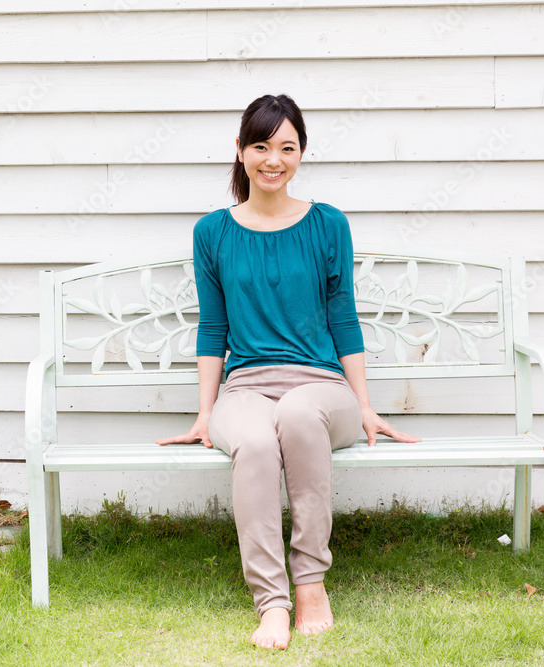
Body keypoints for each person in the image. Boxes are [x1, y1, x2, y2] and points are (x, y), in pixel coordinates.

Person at [156, 93, 420, 650]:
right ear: (240, 151)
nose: (273, 159)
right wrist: (207, 413)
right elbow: (213, 329)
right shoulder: (213, 232)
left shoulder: (327, 224)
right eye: (261, 146)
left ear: (301, 153)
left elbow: (343, 319)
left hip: (322, 389)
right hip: (247, 387)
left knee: (300, 414)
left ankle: (311, 582)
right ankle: (271, 600)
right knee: (252, 440)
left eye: (286, 147)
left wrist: (365, 404)